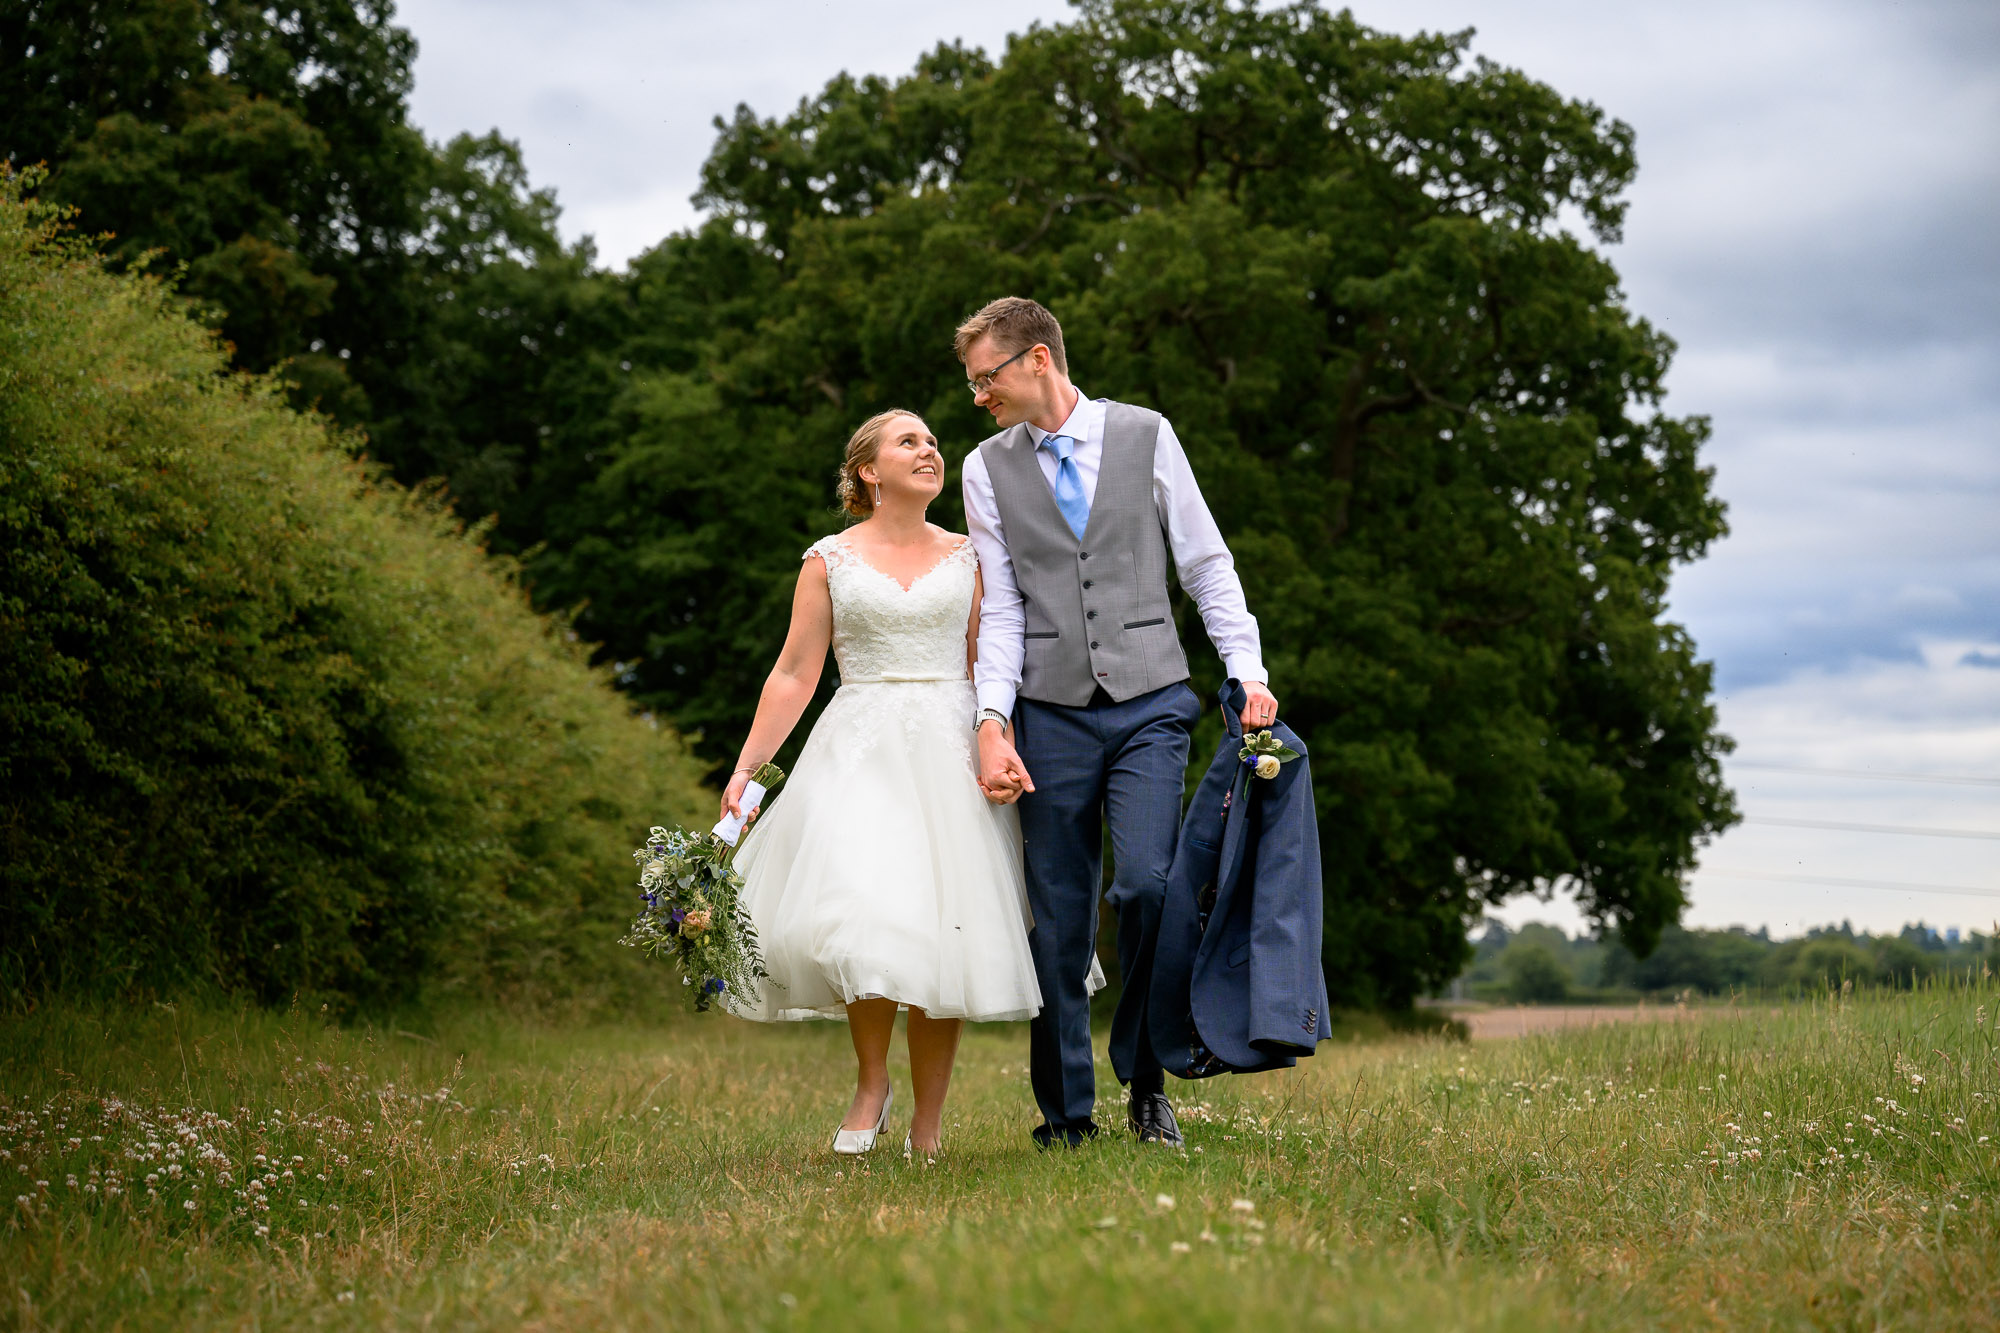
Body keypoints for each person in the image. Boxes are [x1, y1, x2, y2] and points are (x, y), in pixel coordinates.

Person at [958, 296, 1279, 1149]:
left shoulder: (1146, 435)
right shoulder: (985, 468)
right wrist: (994, 717)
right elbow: (1001, 611)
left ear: (1036, 360)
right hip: (1048, 713)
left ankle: (1145, 1085)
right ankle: (1066, 1115)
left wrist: (1246, 670)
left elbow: (1207, 563)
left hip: (1149, 705)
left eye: (985, 378)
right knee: (1058, 920)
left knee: (1147, 885)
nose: (978, 396)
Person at [720, 409, 1043, 1160]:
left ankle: (929, 1121)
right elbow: (796, 672)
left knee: (944, 929)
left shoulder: (972, 556)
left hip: (949, 749)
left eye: (933, 442)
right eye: (910, 442)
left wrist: (1000, 743)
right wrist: (746, 769)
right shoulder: (828, 559)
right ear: (868, 469)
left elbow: (987, 665)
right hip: (857, 747)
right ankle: (873, 1083)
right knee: (860, 915)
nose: (930, 450)